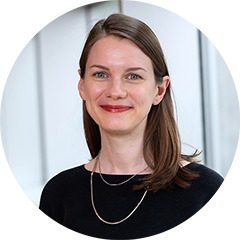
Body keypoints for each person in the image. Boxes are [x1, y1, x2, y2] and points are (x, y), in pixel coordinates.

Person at [39, 13, 224, 239]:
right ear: (82, 86)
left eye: (133, 76)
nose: (115, 91)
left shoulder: (207, 192)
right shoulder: (58, 194)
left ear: (159, 90)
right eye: (100, 74)